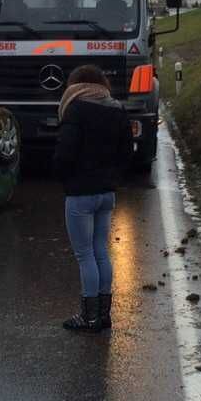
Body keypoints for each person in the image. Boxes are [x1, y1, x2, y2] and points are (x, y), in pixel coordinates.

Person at [53, 63, 133, 332]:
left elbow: (64, 153)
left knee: (84, 254)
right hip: (106, 193)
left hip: (80, 194)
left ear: (76, 85)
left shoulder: (75, 108)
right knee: (100, 251)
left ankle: (88, 317)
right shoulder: (117, 109)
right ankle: (104, 314)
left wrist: (64, 178)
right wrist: (112, 178)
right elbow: (126, 153)